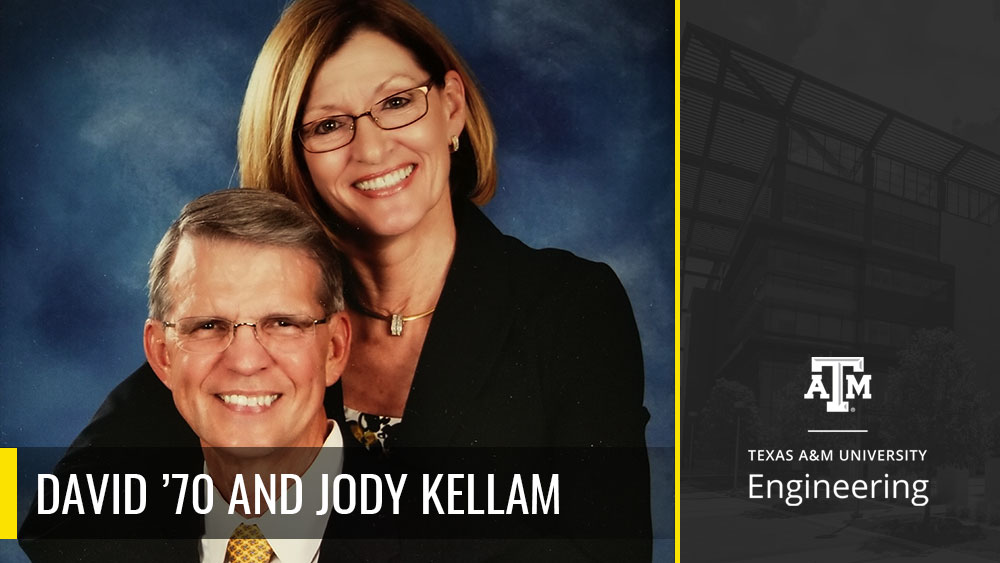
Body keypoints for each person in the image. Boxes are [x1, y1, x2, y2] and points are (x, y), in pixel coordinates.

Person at [26, 0, 651, 560]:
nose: (372, 149)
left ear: (452, 109)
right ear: (292, 154)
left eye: (397, 102)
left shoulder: (569, 305)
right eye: (328, 125)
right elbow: (61, 520)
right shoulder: (266, 315)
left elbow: (606, 550)